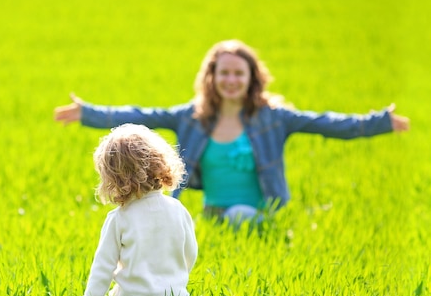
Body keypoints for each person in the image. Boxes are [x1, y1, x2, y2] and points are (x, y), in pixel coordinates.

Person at [54, 39, 410, 225]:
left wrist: (380, 122)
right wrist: (88, 113)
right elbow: (139, 115)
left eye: (239, 73)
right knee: (215, 223)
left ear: (252, 78)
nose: (231, 80)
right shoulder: (192, 117)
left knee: (242, 216)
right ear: (212, 77)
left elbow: (328, 124)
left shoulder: (274, 118)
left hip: (261, 216)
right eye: (224, 73)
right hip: (213, 215)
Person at [83, 123, 198, 296]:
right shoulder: (178, 209)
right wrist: (175, 279)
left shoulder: (120, 217)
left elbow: (103, 266)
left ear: (113, 177)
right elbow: (190, 253)